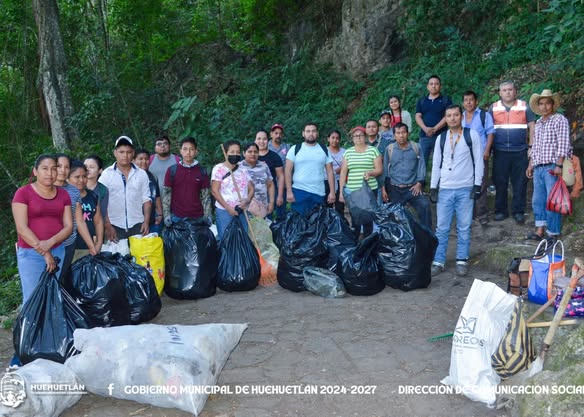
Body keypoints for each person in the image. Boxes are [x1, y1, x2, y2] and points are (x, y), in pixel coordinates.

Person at [11, 154, 73, 369]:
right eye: (45, 168)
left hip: (58, 251)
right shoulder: (23, 193)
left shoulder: (63, 194)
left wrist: (51, 243)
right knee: (31, 301)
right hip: (31, 255)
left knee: (52, 301)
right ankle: (22, 352)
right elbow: (21, 228)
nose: (50, 172)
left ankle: (48, 349)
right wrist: (43, 251)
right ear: (35, 171)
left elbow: (68, 226)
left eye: (53, 168)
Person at [430, 105, 483, 277]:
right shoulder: (441, 138)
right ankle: (438, 261)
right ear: (445, 118)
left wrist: (477, 185)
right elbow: (436, 164)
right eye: (449, 116)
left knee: (464, 226)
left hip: (465, 187)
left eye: (455, 115)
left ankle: (462, 260)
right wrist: (433, 187)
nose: (452, 118)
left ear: (461, 117)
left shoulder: (471, 135)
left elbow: (479, 161)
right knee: (442, 228)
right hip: (445, 187)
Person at [526, 89, 571, 241]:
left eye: (547, 103)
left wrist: (559, 165)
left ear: (553, 105)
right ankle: (540, 230)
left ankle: (552, 233)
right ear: (538, 106)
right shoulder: (538, 123)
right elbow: (535, 146)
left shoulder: (559, 120)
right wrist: (531, 164)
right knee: (537, 200)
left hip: (552, 167)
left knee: (552, 201)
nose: (544, 107)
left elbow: (563, 144)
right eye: (541, 104)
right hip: (538, 167)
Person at [489, 81, 536, 223]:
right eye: (504, 90)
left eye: (510, 89)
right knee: (500, 182)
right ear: (500, 93)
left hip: (520, 151)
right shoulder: (494, 107)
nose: (508, 92)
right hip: (500, 151)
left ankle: (518, 211)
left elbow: (532, 127)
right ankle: (500, 211)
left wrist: (531, 146)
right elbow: (488, 130)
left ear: (515, 91)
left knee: (520, 182)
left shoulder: (524, 106)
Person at [99, 136, 152, 241]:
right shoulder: (107, 174)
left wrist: (146, 221)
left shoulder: (141, 174)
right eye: (121, 152)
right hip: (114, 226)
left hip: (137, 224)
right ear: (115, 153)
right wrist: (107, 226)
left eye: (128, 152)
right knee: (117, 256)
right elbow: (101, 201)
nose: (125, 155)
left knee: (140, 256)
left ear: (133, 153)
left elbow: (146, 200)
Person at [381, 122, 432, 229]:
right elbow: (385, 169)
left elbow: (421, 166)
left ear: (408, 133)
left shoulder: (416, 147)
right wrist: (383, 189)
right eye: (398, 133)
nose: (401, 135)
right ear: (394, 135)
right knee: (394, 215)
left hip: (412, 188)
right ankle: (397, 240)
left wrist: (419, 183)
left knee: (425, 206)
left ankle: (427, 235)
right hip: (395, 189)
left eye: (403, 132)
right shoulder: (390, 149)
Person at [54, 153, 97, 274]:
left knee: (66, 279)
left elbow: (79, 221)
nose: (63, 170)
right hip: (51, 245)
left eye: (66, 167)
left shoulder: (73, 190)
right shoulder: (46, 188)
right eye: (59, 166)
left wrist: (91, 246)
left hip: (69, 244)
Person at [339, 126, 383, 238]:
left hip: (369, 190)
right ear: (352, 138)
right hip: (353, 191)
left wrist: (370, 173)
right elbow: (343, 173)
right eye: (355, 136)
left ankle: (368, 245)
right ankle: (356, 246)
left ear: (365, 137)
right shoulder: (348, 152)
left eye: (360, 135)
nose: (358, 138)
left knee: (368, 219)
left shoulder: (373, 150)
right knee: (355, 220)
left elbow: (379, 169)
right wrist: (341, 192)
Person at [285, 122, 335, 216]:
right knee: (298, 222)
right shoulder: (295, 149)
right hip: (299, 191)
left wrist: (332, 192)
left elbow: (330, 171)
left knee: (317, 223)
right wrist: (289, 191)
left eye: (313, 131)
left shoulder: (324, 149)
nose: (311, 134)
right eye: (308, 131)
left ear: (317, 133)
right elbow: (287, 171)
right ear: (303, 133)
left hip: (318, 192)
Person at [462, 90, 496, 226]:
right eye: (466, 100)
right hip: (464, 157)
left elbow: (491, 133)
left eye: (471, 100)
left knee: (481, 184)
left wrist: (487, 150)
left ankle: (482, 214)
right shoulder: (460, 117)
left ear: (476, 102)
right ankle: (469, 213)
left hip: (480, 155)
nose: (468, 102)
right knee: (466, 184)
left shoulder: (484, 115)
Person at [162, 137, 212, 225]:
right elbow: (166, 194)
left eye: (191, 149)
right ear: (180, 151)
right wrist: (166, 215)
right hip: (176, 217)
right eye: (185, 149)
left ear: (196, 151)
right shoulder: (172, 170)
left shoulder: (202, 171)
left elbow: (206, 196)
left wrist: (208, 215)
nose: (188, 152)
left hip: (198, 217)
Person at [211, 140, 254, 241]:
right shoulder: (218, 169)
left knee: (243, 240)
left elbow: (252, 188)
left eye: (238, 152)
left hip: (242, 210)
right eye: (232, 152)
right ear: (226, 153)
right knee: (226, 240)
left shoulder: (243, 169)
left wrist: (247, 200)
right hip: (224, 212)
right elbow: (214, 191)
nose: (235, 154)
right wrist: (228, 208)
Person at [68, 160, 104, 262]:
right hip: (72, 247)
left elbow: (98, 221)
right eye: (77, 177)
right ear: (68, 178)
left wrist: (99, 243)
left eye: (84, 176)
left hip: (90, 247)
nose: (81, 180)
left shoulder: (92, 195)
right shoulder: (65, 197)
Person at [415, 75, 452, 168]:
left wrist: (435, 129)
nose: (433, 86)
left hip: (441, 136)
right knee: (422, 163)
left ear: (440, 86)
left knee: (441, 162)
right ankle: (421, 182)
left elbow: (447, 116)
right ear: (427, 86)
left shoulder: (446, 100)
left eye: (436, 84)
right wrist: (425, 128)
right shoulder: (422, 101)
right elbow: (417, 116)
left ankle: (440, 182)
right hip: (424, 136)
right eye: (431, 84)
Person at [240, 142, 275, 218]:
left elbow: (270, 184)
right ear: (244, 153)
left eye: (255, 152)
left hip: (262, 207)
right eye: (250, 152)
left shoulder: (263, 166)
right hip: (245, 208)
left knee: (262, 229)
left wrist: (271, 202)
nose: (253, 154)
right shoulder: (238, 167)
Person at [255, 129, 285, 218]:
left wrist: (279, 195)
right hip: (252, 193)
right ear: (255, 140)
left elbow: (280, 177)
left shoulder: (275, 157)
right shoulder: (250, 155)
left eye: (264, 139)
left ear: (268, 141)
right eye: (259, 139)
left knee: (268, 219)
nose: (261, 141)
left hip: (269, 193)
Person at [134, 149, 164, 234]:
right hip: (136, 222)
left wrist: (160, 214)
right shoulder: (131, 177)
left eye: (146, 159)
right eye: (140, 159)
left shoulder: (152, 176)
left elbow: (156, 196)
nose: (144, 161)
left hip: (152, 219)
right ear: (134, 160)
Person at [268, 123, 290, 220]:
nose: (278, 135)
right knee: (267, 211)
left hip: (282, 184)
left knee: (281, 211)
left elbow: (289, 166)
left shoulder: (287, 147)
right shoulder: (265, 146)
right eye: (276, 133)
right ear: (271, 134)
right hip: (268, 185)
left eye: (280, 133)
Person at [84, 155, 109, 227]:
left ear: (100, 170)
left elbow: (102, 215)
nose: (87, 169)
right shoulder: (76, 187)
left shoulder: (103, 190)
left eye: (91, 167)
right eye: (85, 167)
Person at [325, 130, 346, 215]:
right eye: (332, 138)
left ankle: (340, 225)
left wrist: (342, 169)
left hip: (340, 181)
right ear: (328, 139)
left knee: (340, 206)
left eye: (337, 138)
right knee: (327, 206)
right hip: (326, 180)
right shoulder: (324, 151)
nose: (335, 140)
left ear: (340, 140)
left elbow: (347, 165)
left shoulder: (344, 152)